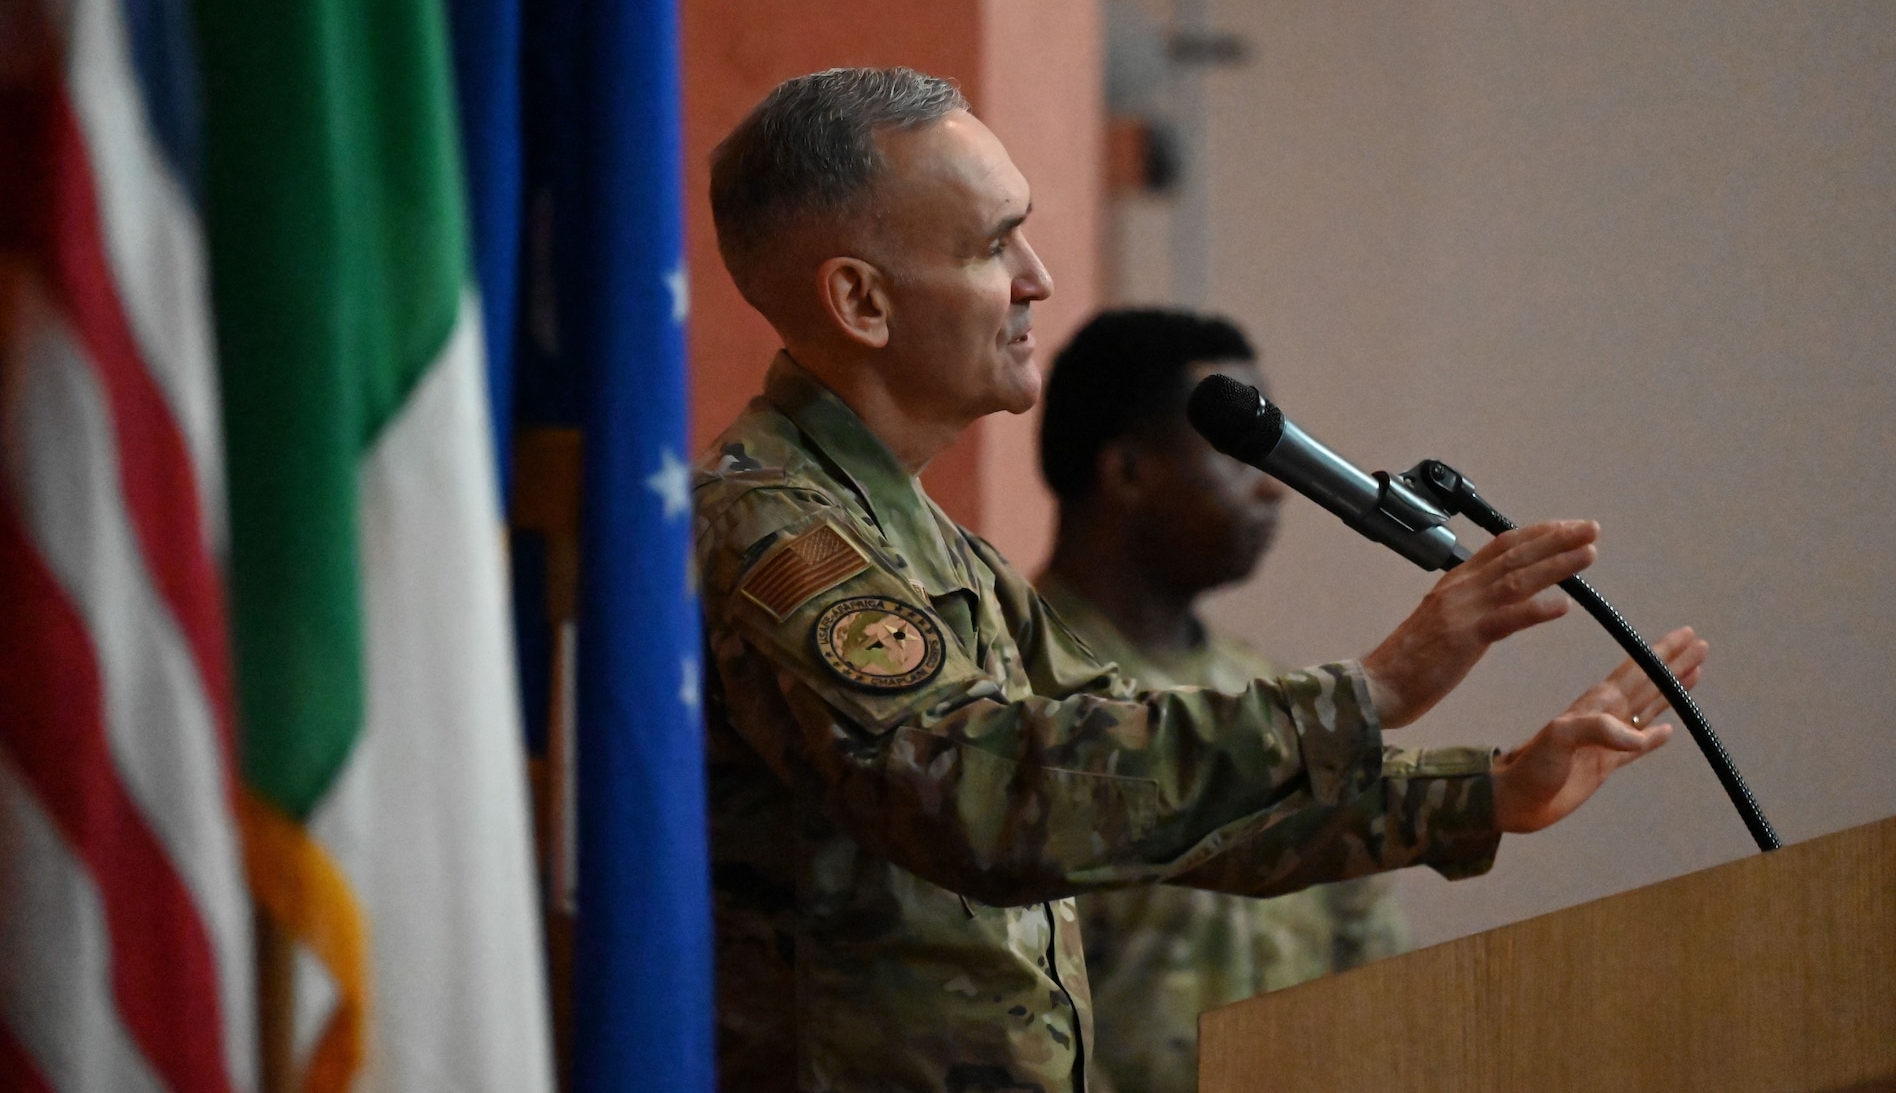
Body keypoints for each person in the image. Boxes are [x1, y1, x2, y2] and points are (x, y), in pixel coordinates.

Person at [694, 67, 1707, 1093]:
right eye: (993, 244)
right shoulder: (774, 530)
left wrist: (1479, 793)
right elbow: (973, 794)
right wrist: (1369, 691)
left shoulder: (923, 541)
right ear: (861, 299)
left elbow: (1140, 799)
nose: (1036, 278)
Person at [1037, 308, 1406, 1093]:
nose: (1273, 490)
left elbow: (1371, 961)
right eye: (1240, 456)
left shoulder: (1277, 697)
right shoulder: (1013, 703)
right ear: (1130, 470)